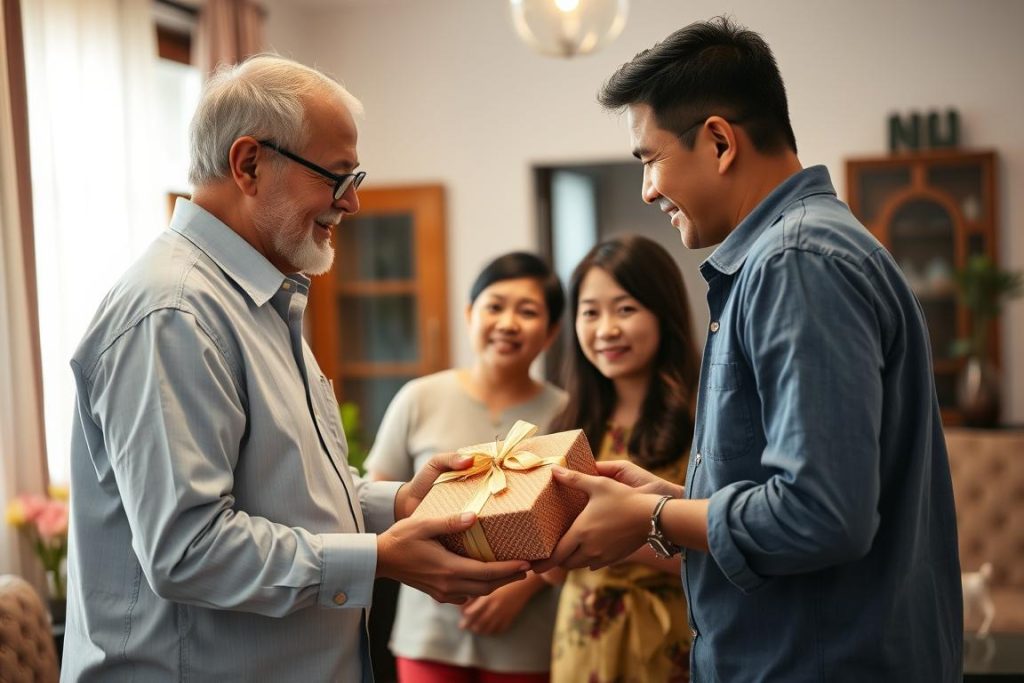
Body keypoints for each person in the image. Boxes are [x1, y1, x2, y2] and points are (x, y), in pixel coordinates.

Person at [61, 55, 530, 682]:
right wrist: (377, 559)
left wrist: (398, 503)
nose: (352, 202)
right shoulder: (175, 312)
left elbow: (289, 494)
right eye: (336, 176)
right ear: (249, 164)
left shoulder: (259, 299)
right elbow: (189, 550)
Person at [534, 17, 962, 682]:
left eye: (649, 159)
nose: (648, 190)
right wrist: (672, 498)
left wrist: (654, 516)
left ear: (719, 141)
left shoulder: (795, 261)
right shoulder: (802, 249)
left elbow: (822, 514)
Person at [365, 251, 567, 683]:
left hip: (527, 632)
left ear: (551, 332)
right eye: (495, 306)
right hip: (430, 629)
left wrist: (523, 588)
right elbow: (377, 499)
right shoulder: (418, 398)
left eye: (527, 312)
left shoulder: (566, 413)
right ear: (470, 314)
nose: (508, 323)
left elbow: (573, 522)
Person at [547, 236, 700, 683]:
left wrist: (624, 536)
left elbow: (731, 543)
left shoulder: (704, 416)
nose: (606, 329)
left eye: (626, 309)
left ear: (663, 312)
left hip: (674, 642)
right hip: (583, 644)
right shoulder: (567, 423)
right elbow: (554, 572)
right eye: (590, 312)